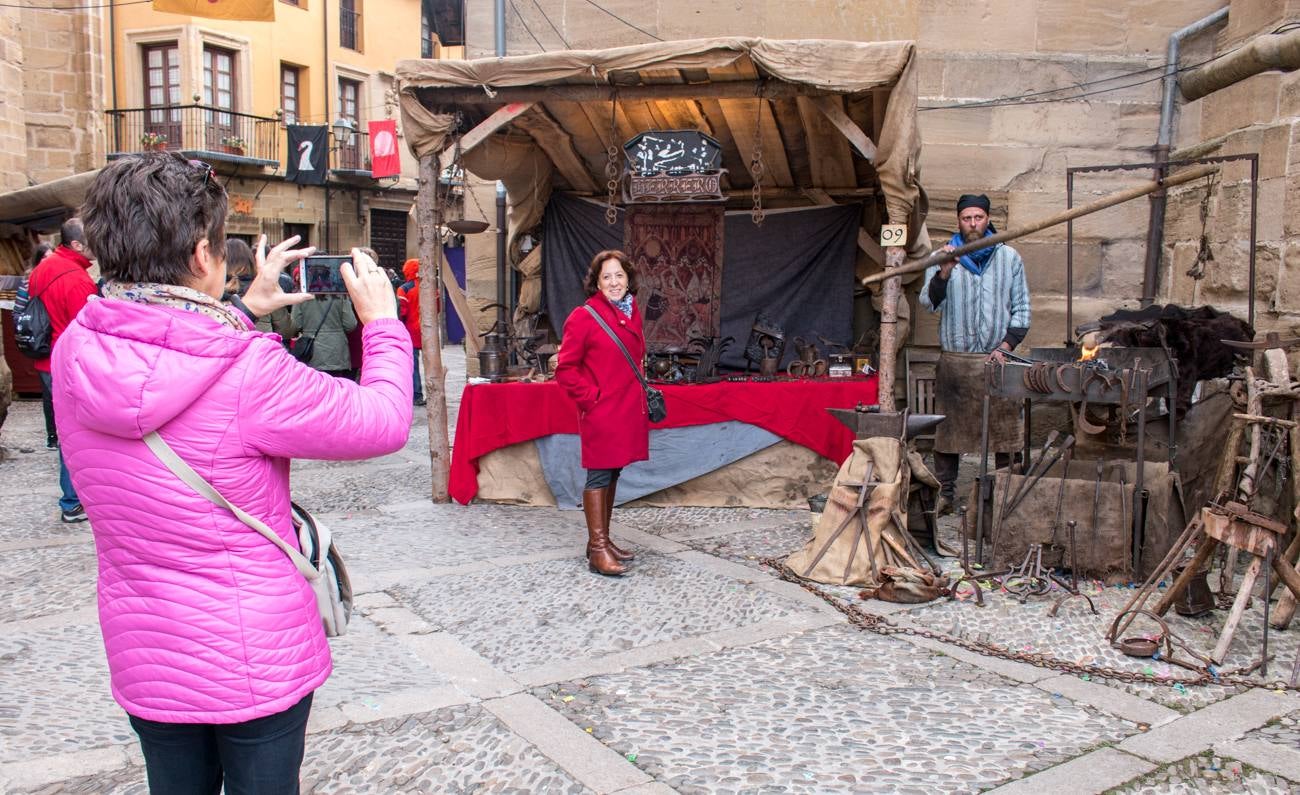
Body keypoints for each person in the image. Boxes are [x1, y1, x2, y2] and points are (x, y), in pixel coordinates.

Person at [51, 152, 411, 794]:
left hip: (148, 652)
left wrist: (243, 309)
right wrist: (383, 323)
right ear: (200, 256)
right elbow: (382, 419)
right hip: (253, 657)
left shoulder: (79, 347)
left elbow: (166, 358)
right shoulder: (250, 371)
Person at [919, 193, 1031, 515]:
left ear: (987, 219)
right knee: (948, 432)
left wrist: (1004, 349)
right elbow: (929, 303)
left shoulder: (1009, 257)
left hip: (996, 362)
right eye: (966, 218)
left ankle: (1004, 495)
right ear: (958, 221)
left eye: (978, 218)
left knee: (1004, 435)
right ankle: (945, 495)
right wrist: (944, 272)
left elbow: (1022, 311)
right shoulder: (943, 255)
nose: (972, 224)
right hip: (956, 361)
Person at [554, 249, 648, 577]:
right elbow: (565, 369)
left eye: (618, 275)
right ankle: (597, 550)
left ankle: (603, 540)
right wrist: (592, 398)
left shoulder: (630, 312)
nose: (613, 282)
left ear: (628, 278)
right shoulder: (585, 316)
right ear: (596, 282)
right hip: (603, 411)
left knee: (614, 472)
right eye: (606, 276)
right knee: (598, 474)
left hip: (625, 409)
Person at [29, 218, 98, 519]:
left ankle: (72, 498)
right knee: (77, 433)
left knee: (65, 429)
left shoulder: (44, 267)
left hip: (46, 359)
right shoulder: (77, 279)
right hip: (68, 363)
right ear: (77, 245)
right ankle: (72, 501)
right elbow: (87, 330)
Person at [225, 238, 298, 346]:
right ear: (250, 261)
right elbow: (287, 330)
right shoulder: (264, 287)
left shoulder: (211, 292)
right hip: (261, 353)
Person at [290, 292, 358, 378]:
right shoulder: (340, 295)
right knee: (335, 387)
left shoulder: (301, 296)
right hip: (336, 351)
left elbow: (295, 325)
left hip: (311, 351)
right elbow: (350, 324)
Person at [397, 257, 425, 406]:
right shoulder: (431, 287)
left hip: (410, 330)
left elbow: (402, 312)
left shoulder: (404, 289)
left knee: (413, 365)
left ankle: (416, 394)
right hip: (426, 330)